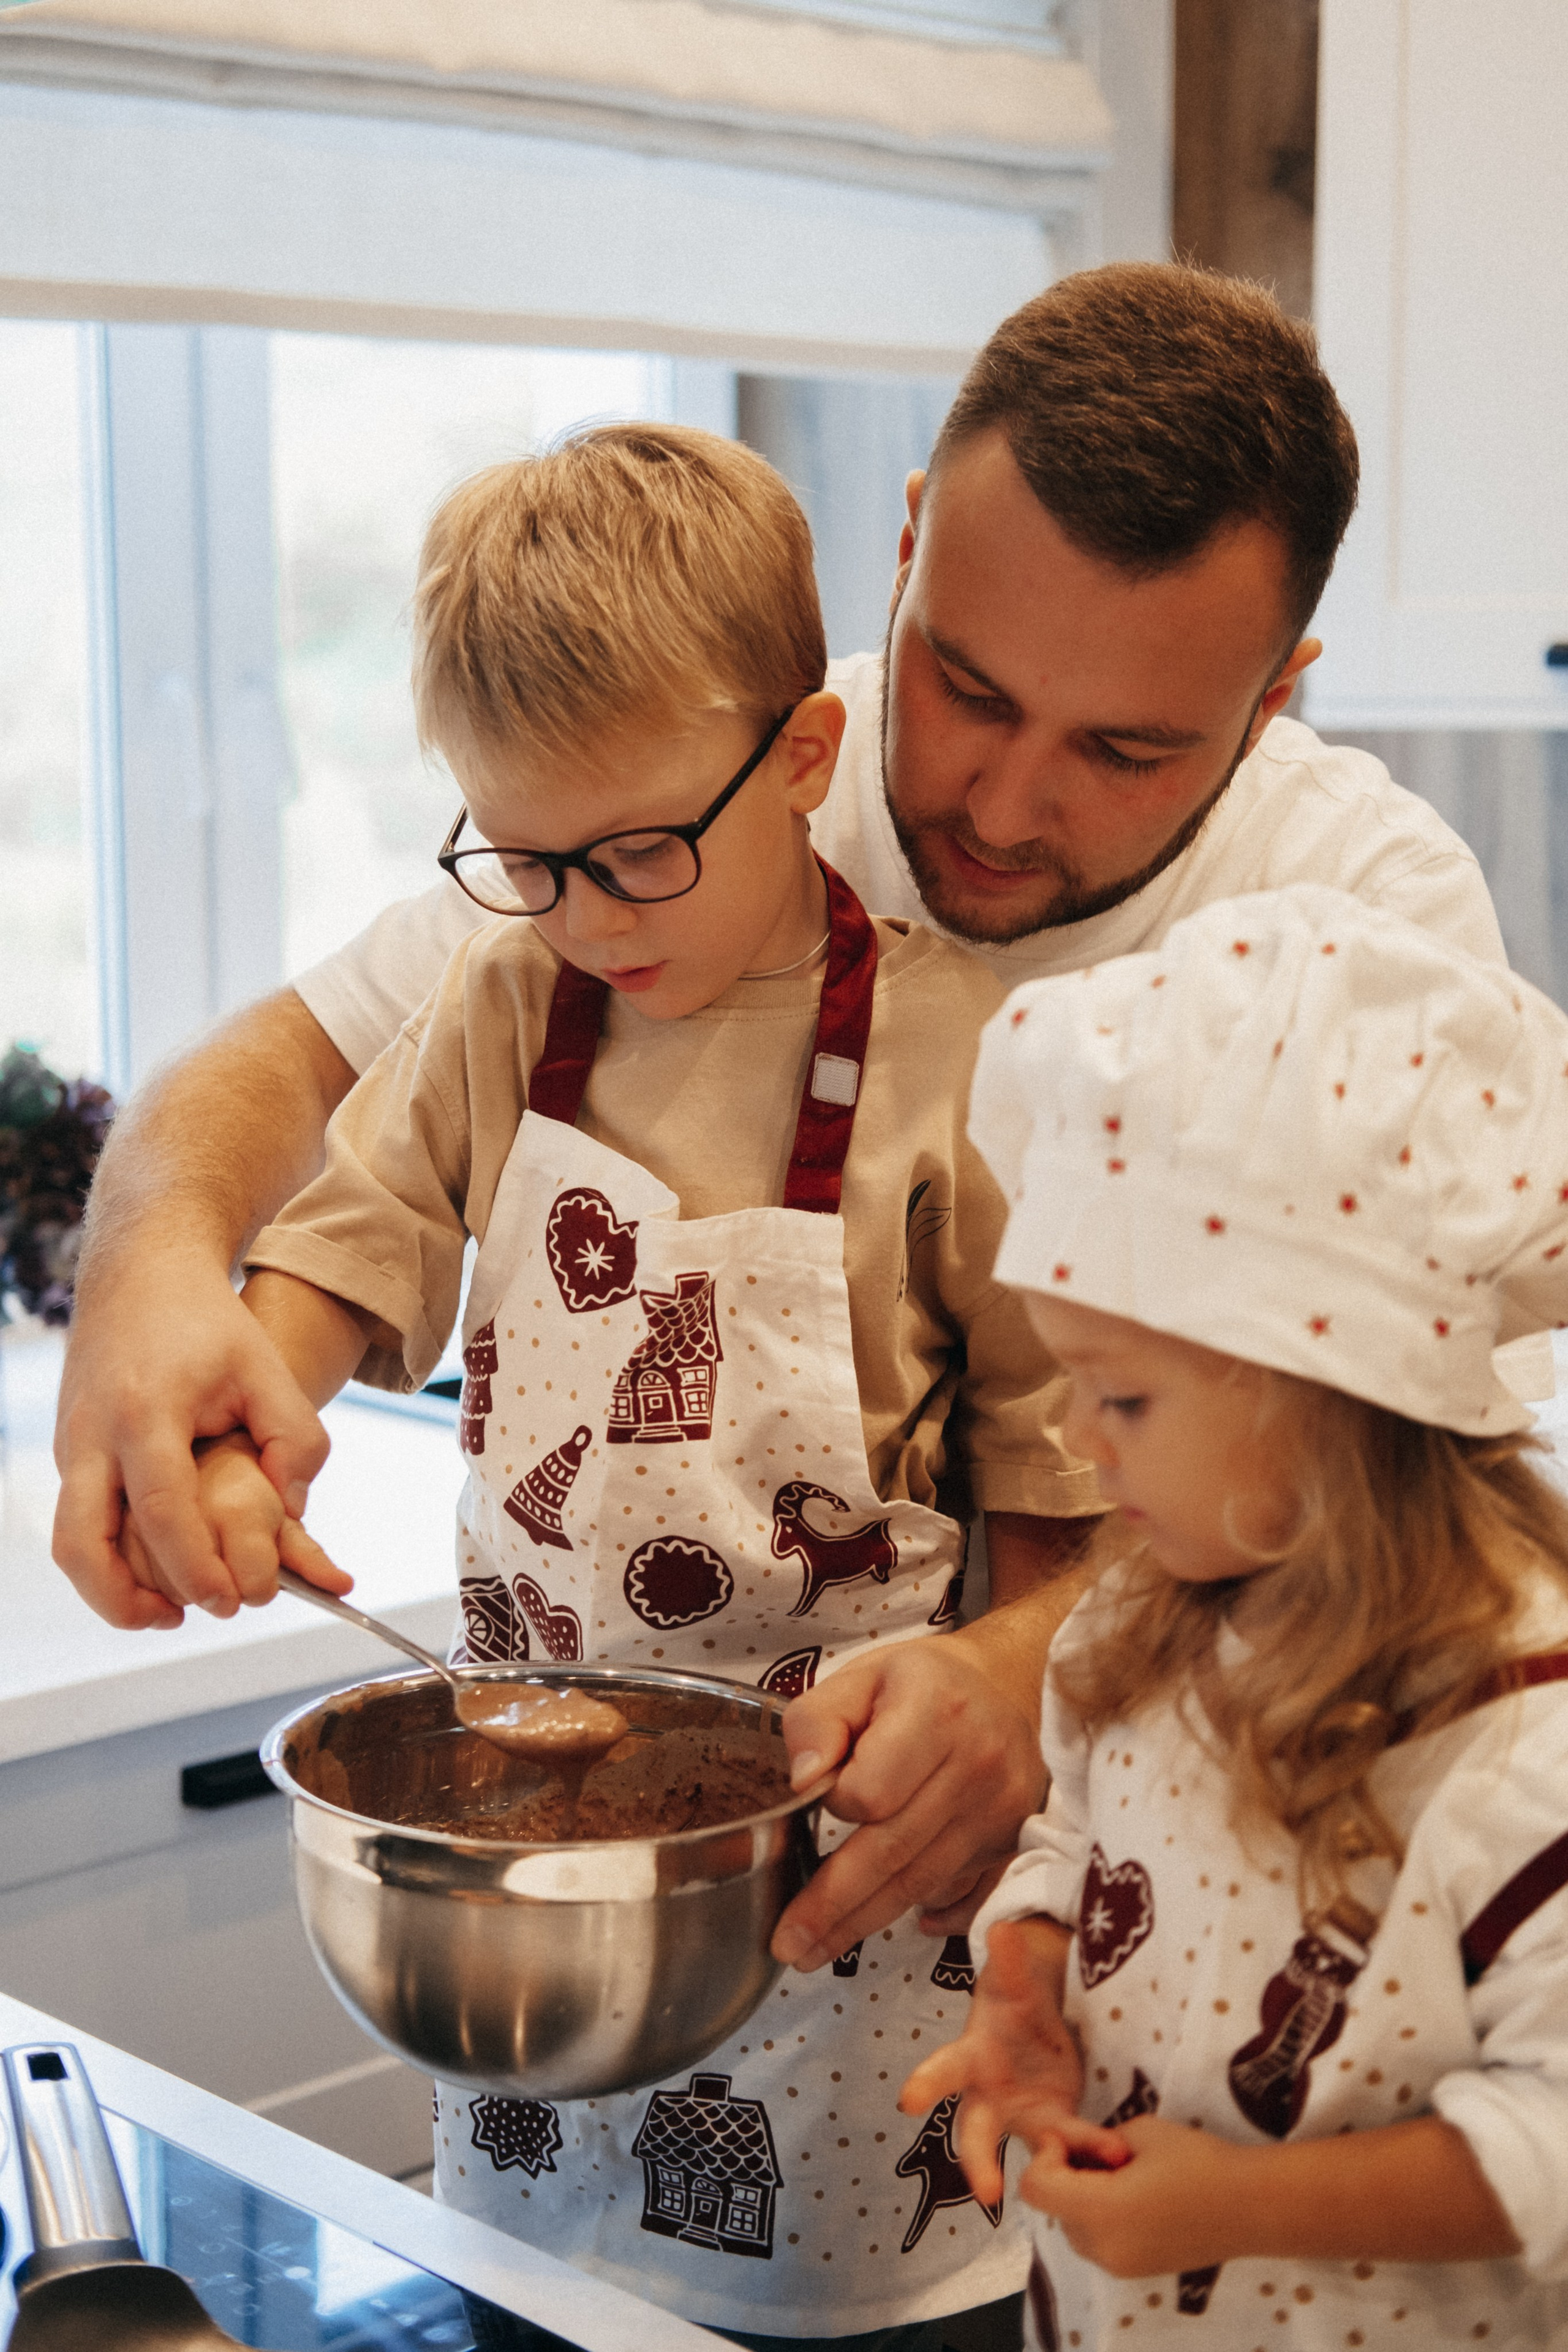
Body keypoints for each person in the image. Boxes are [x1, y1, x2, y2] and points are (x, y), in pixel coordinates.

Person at [53, 263, 1507, 1968]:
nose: (1000, 801)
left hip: (1124, 1906)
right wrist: (152, 1286)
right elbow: (285, 1071)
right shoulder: (680, 800)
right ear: (908, 548)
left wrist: (1019, 1668)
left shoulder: (1367, 937)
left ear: (1273, 697)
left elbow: (1402, 1500)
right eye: (965, 685)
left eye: (1125, 750)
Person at [177, 421, 1087, 2344]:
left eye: (645, 849)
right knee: (533, 2308)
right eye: (526, 858)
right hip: (536, 1940)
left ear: (808, 760)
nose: (591, 914)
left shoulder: (972, 1066)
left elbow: (1077, 1538)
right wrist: (249, 1413)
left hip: (850, 1959)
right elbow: (349, 1244)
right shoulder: (508, 1007)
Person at [900, 883, 1568, 2349]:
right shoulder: (1145, 1621)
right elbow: (1075, 1842)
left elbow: (1553, 2141)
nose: (1077, 1438)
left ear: (1329, 1405)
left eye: (1122, 1396)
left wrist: (1231, 2210)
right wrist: (1020, 1989)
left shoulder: (1516, 1742)